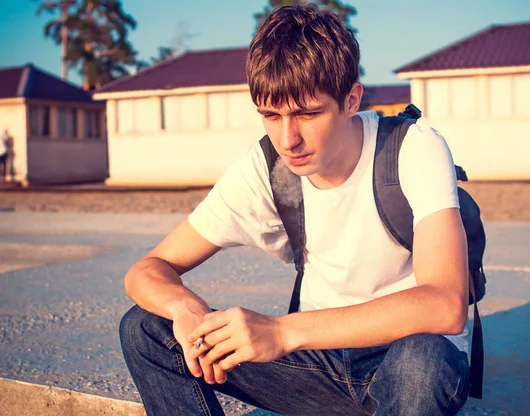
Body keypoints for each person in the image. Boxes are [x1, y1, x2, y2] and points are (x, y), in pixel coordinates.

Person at [119, 5, 471, 415]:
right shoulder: (265, 168)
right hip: (316, 365)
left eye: (307, 113)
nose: (288, 139)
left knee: (422, 360)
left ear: (351, 99)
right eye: (271, 115)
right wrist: (185, 310)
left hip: (404, 364)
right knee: (145, 328)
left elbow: (445, 304)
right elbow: (149, 268)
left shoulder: (412, 148)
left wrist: (281, 331)